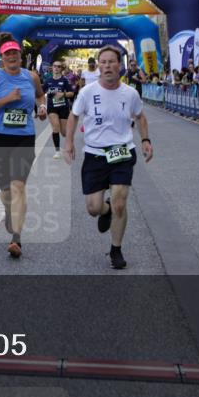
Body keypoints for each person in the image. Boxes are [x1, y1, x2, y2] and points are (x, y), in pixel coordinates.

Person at [64, 46, 153, 269]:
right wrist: (68, 142)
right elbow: (74, 116)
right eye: (103, 62)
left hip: (122, 152)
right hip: (95, 154)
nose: (107, 66)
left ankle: (116, 249)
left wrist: (145, 140)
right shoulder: (87, 92)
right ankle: (106, 209)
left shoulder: (130, 94)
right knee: (93, 208)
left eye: (111, 62)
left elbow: (141, 117)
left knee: (120, 201)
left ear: (119, 65)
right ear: (98, 66)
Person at [0, 37, 47, 258]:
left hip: (24, 137)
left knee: (18, 186)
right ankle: (9, 210)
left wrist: (42, 107)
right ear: (2, 57)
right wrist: (7, 99)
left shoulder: (31, 77)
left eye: (15, 53)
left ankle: (16, 238)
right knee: (6, 190)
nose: (12, 57)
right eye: (7, 53)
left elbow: (39, 96)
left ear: (20, 56)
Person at [43, 60, 75, 159]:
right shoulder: (48, 81)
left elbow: (72, 93)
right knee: (55, 128)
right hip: (52, 108)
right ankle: (57, 151)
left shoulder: (65, 80)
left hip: (63, 107)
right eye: (55, 66)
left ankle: (70, 144)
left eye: (59, 66)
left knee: (64, 132)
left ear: (61, 68)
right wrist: (41, 106)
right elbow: (41, 93)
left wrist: (63, 94)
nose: (56, 68)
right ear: (52, 68)